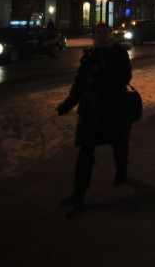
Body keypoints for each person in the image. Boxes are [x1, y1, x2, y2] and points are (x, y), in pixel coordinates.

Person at [55, 22, 133, 217]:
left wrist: (101, 81)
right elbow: (79, 84)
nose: (102, 35)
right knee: (85, 152)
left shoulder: (119, 52)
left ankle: (121, 173)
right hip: (92, 109)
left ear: (110, 34)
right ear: (94, 35)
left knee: (119, 143)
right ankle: (78, 195)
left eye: (106, 32)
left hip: (114, 107)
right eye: (99, 32)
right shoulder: (89, 55)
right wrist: (68, 104)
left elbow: (125, 77)